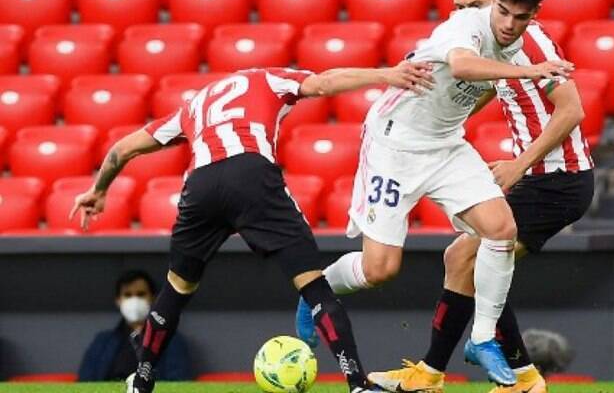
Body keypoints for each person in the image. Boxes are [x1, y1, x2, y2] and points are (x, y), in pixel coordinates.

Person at [69, 62, 436, 393]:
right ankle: (357, 383)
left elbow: (123, 149)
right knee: (312, 283)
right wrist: (385, 74)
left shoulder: (194, 107)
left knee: (176, 289)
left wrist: (98, 191)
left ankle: (142, 381)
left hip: (201, 186)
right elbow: (323, 84)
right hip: (251, 172)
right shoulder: (266, 78)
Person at [294, 0, 575, 388]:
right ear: (492, 1)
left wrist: (471, 103)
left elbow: (481, 85)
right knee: (380, 268)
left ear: (534, 14)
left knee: (501, 229)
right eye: (502, 11)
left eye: (520, 16)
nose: (509, 24)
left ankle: (481, 339)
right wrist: (531, 70)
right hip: (395, 143)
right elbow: (462, 66)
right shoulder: (464, 26)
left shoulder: (511, 38)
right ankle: (315, 291)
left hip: (444, 144)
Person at [367, 0, 595, 392]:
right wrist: (446, 123)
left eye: (470, 4)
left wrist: (519, 165)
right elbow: (492, 84)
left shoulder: (532, 43)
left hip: (559, 179)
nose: (462, 15)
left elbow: (571, 109)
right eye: (456, 7)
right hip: (543, 178)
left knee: (474, 259)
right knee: (467, 261)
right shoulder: (487, 39)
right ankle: (452, 374)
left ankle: (506, 378)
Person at [78, 270, 191, 382]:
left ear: (153, 298)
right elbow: (84, 381)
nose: (134, 300)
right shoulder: (103, 341)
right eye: (128, 295)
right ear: (118, 300)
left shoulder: (171, 340)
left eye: (141, 294)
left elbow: (179, 381)